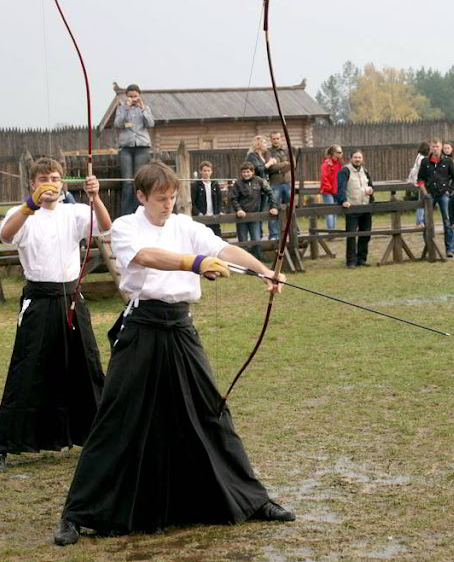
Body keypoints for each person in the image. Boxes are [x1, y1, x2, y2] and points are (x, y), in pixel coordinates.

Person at [54, 161, 295, 546]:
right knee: (116, 415)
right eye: (161, 199)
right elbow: (147, 257)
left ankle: (252, 499)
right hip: (142, 327)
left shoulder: (184, 225)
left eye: (172, 198)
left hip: (180, 327)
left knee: (211, 410)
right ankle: (76, 514)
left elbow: (223, 247)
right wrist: (195, 263)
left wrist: (264, 269)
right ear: (142, 196)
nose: (168, 205)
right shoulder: (126, 227)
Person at [0, 157, 111, 472]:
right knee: (26, 370)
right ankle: (3, 448)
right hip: (39, 301)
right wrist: (30, 204)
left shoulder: (74, 212)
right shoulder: (22, 213)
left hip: (71, 299)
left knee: (88, 365)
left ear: (61, 182)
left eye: (55, 178)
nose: (50, 183)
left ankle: (102, 437)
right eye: (43, 178)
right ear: (32, 183)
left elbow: (106, 227)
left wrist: (95, 197)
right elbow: (5, 234)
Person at [114, 83, 155, 216]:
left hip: (141, 147)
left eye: (135, 96)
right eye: (130, 96)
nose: (133, 98)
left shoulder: (145, 108)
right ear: (126, 96)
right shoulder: (121, 108)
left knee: (139, 181)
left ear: (139, 96)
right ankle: (125, 214)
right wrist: (126, 108)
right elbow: (118, 124)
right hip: (126, 147)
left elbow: (150, 124)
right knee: (127, 182)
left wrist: (142, 109)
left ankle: (139, 212)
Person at [417, 138, 454, 257]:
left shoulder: (448, 161)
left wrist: (449, 191)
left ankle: (449, 249)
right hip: (430, 194)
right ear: (430, 148)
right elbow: (420, 179)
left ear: (441, 147)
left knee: (447, 220)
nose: (435, 149)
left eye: (437, 146)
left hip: (443, 194)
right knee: (427, 221)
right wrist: (425, 193)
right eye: (433, 147)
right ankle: (430, 247)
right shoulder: (425, 162)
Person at [229, 162, 278, 260]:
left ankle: (258, 260)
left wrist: (273, 207)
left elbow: (270, 193)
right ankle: (244, 261)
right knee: (243, 241)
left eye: (248, 172)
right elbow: (233, 198)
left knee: (256, 239)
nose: (246, 174)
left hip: (255, 216)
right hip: (241, 216)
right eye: (244, 172)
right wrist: (238, 209)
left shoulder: (259, 181)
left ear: (253, 172)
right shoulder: (238, 183)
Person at [337, 150, 374, 269]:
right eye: (355, 157)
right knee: (351, 235)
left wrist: (371, 190)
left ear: (362, 159)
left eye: (359, 157)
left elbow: (371, 185)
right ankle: (351, 261)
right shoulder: (345, 171)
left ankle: (361, 259)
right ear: (351, 158)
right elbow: (341, 187)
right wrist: (343, 201)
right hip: (352, 207)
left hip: (365, 205)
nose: (358, 159)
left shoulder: (365, 171)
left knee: (366, 233)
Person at [246, 135, 277, 237]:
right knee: (257, 211)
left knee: (262, 210)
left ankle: (259, 234)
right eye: (264, 143)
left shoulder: (261, 156)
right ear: (258, 144)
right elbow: (258, 170)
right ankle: (257, 236)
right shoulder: (252, 156)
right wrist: (269, 163)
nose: (266, 145)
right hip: (256, 188)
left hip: (263, 187)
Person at [267, 132, 291, 239]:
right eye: (273, 139)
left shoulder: (287, 150)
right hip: (275, 183)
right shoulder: (268, 152)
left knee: (290, 209)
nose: (276, 140)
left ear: (281, 139)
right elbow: (271, 168)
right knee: (273, 208)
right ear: (271, 140)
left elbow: (292, 164)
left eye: (277, 138)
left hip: (287, 183)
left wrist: (279, 166)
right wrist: (285, 163)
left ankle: (294, 231)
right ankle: (274, 234)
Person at [191, 161, 223, 237]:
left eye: (208, 171)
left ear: (211, 172)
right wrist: (198, 213)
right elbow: (192, 202)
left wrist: (218, 212)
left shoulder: (215, 184)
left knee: (217, 238)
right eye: (204, 171)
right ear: (200, 171)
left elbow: (219, 200)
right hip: (202, 217)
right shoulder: (196, 185)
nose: (206, 173)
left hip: (214, 217)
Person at [320, 144, 344, 229]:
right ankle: (331, 231)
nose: (341, 154)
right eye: (339, 152)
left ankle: (333, 230)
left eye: (341, 152)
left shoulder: (339, 163)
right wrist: (330, 189)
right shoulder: (326, 164)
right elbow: (324, 178)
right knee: (330, 211)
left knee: (335, 212)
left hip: (336, 190)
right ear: (334, 153)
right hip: (328, 191)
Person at [407, 141, 430, 226]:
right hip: (420, 180)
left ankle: (419, 220)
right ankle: (419, 220)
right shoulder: (422, 158)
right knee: (422, 200)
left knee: (421, 200)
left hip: (417, 179)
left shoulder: (419, 156)